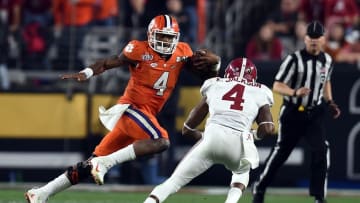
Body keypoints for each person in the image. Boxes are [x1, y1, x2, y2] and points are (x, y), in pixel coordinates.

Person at [25, 14, 220, 203]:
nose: (164, 41)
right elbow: (108, 62)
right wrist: (87, 72)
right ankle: (105, 164)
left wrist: (215, 64)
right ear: (151, 34)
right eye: (160, 36)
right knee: (161, 141)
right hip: (131, 109)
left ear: (176, 38)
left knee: (89, 164)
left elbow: (206, 76)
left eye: (169, 37)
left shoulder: (182, 52)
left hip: (143, 117)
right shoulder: (138, 49)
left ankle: (41, 193)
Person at [143, 57, 275, 203]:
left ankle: (150, 201)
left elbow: (190, 124)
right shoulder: (260, 91)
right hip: (239, 143)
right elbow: (268, 128)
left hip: (212, 137)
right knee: (242, 172)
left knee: (174, 181)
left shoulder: (215, 83)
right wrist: (255, 135)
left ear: (228, 73)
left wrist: (195, 133)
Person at [252, 21, 341, 203]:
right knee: (281, 153)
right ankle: (260, 187)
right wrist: (294, 92)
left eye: (317, 38)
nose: (314, 41)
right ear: (305, 39)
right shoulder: (294, 59)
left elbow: (327, 82)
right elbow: (277, 85)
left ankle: (318, 196)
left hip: (314, 113)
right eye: (311, 37)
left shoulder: (328, 60)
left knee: (321, 150)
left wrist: (330, 101)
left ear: (323, 40)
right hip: (293, 112)